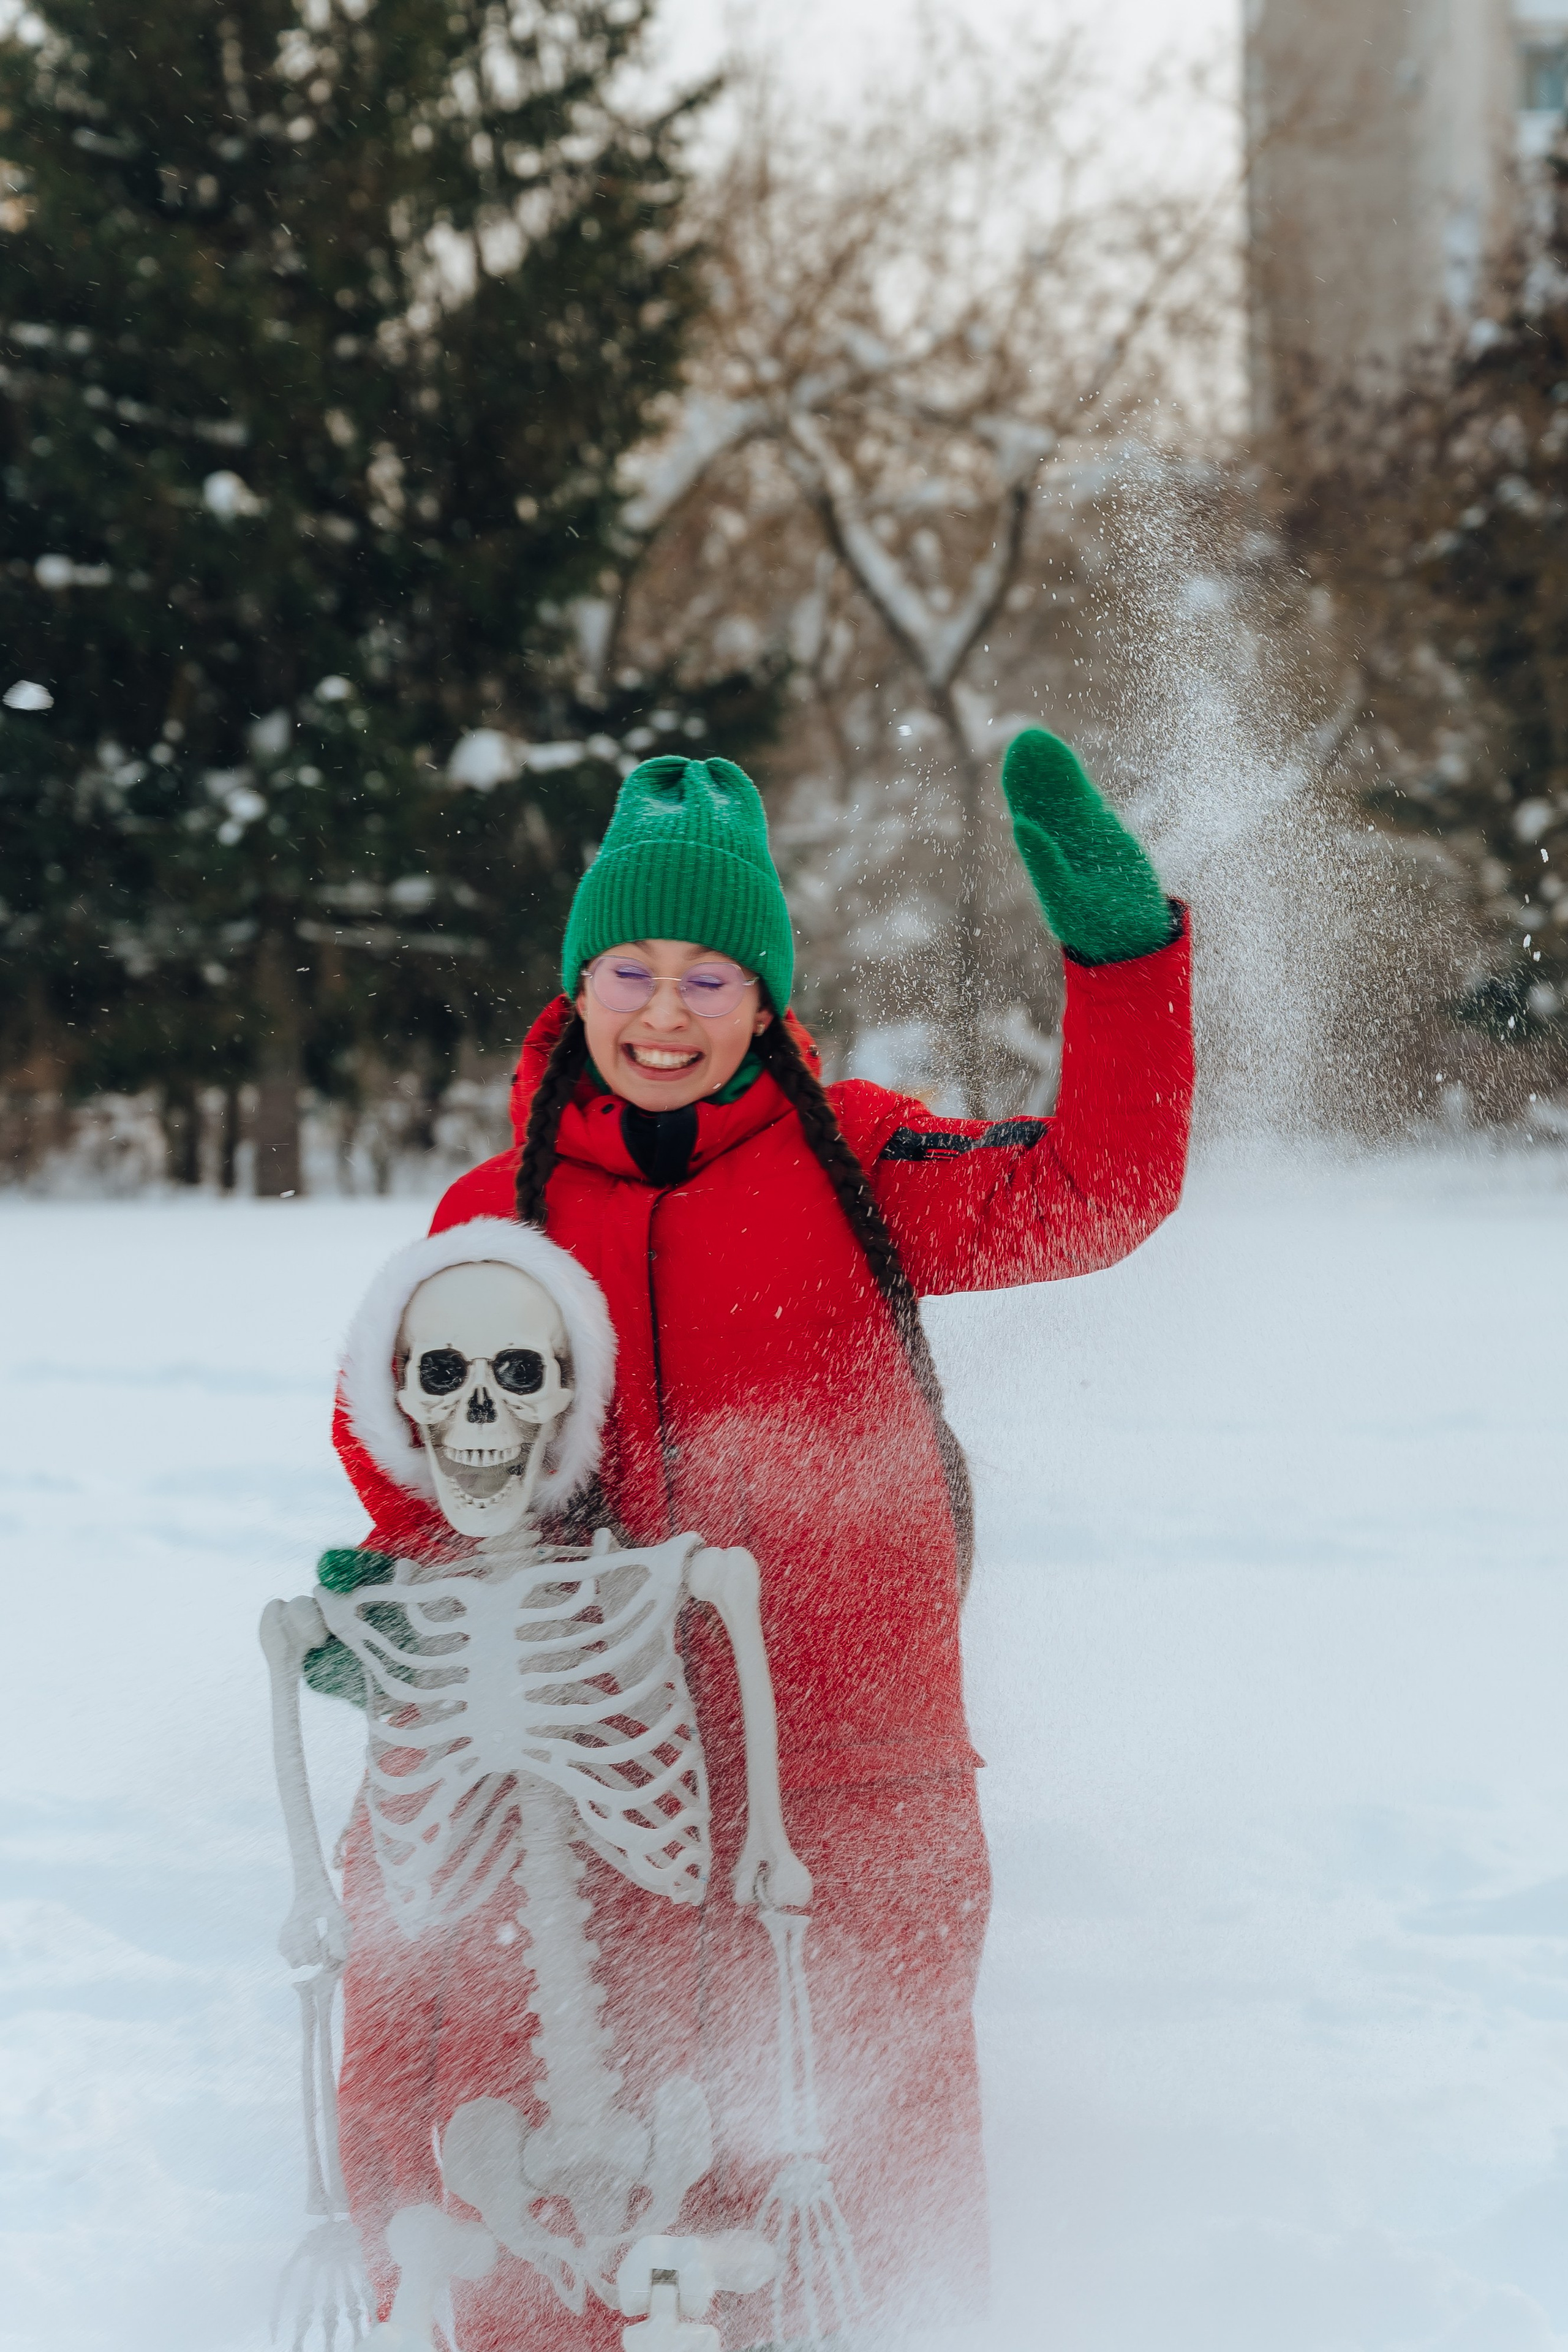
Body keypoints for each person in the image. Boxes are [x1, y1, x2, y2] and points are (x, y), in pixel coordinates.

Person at [326, 729, 1194, 2349]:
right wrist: (400, 1589)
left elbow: (1101, 1188)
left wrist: (1121, 959)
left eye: (709, 977)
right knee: (563, 2183)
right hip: (586, 1778)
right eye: (632, 971)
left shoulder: (863, 1164)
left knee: (857, 2189)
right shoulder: (493, 1216)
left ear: (766, 998)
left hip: (854, 1783)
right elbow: (414, 1444)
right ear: (580, 984)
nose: (665, 1012)